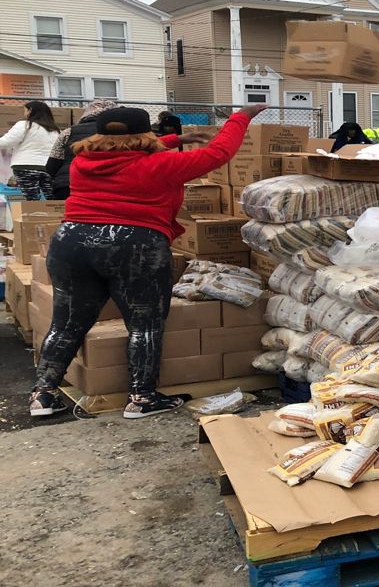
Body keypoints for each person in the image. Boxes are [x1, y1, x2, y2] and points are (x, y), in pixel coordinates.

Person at [30, 103, 270, 419]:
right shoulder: (162, 166)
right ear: (145, 135)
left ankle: (43, 396)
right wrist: (242, 117)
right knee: (144, 324)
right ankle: (141, 398)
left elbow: (125, 153)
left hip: (72, 242)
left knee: (66, 323)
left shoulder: (83, 161)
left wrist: (178, 140)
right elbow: (219, 153)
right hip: (135, 245)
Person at [0, 101, 59, 200]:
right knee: (51, 199)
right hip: (48, 168)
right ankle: (53, 215)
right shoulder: (55, 130)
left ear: (30, 111)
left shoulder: (25, 125)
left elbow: (7, 142)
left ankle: (32, 215)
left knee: (31, 199)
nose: (25, 113)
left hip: (25, 167)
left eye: (25, 110)